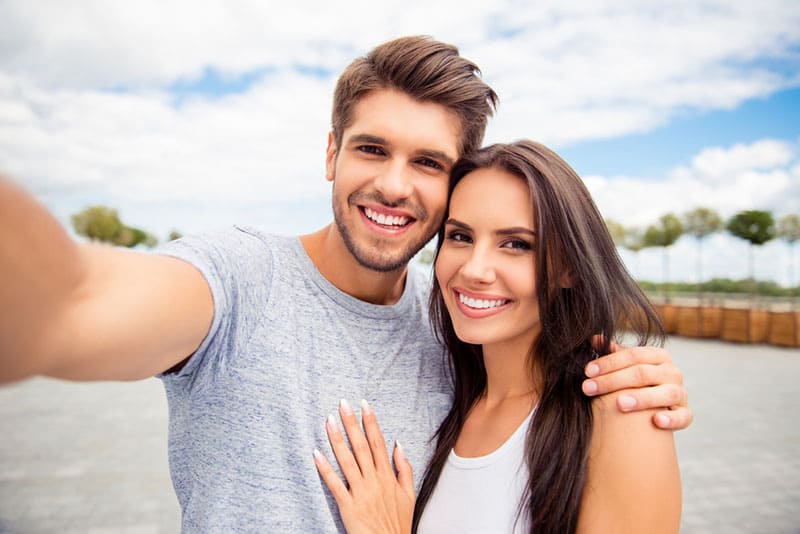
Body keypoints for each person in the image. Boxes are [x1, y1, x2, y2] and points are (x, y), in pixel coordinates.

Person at [0, 37, 688, 532]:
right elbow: (75, 300)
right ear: (331, 153)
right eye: (371, 148)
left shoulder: (457, 324)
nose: (393, 183)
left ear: (454, 184)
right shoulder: (237, 281)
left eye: (427, 161)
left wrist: (629, 390)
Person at [314, 140, 681, 533]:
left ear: (570, 269)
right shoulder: (449, 393)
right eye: (460, 237)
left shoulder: (619, 416)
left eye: (516, 245)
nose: (475, 269)